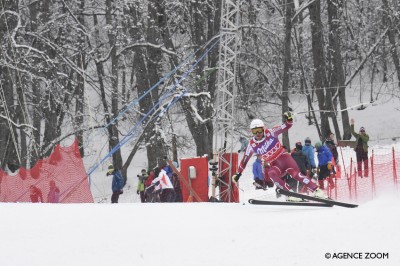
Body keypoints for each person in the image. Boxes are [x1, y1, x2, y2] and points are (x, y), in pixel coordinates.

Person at [232, 113, 327, 201]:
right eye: (254, 131)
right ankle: (290, 194)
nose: (257, 133)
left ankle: (317, 190)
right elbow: (244, 160)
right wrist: (238, 174)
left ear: (263, 129)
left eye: (259, 130)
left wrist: (289, 119)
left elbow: (287, 126)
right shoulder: (251, 145)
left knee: (296, 174)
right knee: (271, 173)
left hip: (285, 158)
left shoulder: (271, 132)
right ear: (251, 132)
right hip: (275, 165)